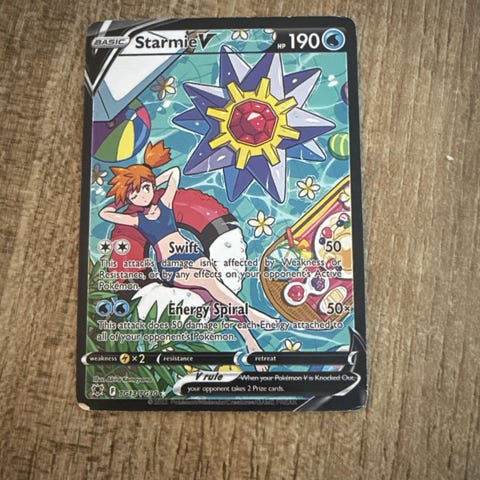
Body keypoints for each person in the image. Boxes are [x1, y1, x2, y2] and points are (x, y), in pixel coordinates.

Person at [100, 144, 275, 365]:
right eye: (136, 193)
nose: (143, 195)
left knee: (219, 293)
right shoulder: (137, 219)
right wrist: (124, 198)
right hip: (171, 265)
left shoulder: (165, 203)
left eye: (145, 188)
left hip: (192, 253)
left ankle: (251, 342)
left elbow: (174, 173)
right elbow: (104, 213)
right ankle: (253, 315)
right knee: (211, 282)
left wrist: (152, 181)